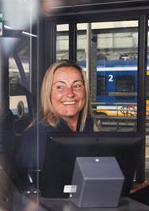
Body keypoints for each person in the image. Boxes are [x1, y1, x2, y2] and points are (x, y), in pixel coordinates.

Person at [14, 60, 96, 188]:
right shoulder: (39, 136)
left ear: (85, 91)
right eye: (60, 87)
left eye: (77, 86)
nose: (70, 93)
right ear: (49, 94)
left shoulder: (90, 129)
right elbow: (32, 192)